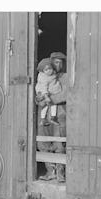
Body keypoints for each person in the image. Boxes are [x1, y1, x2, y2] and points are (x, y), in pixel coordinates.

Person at [37, 52, 67, 182]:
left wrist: (49, 99)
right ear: (50, 63)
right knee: (43, 143)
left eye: (61, 62)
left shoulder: (65, 77)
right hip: (44, 115)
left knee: (59, 145)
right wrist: (39, 99)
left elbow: (65, 94)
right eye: (56, 62)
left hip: (59, 115)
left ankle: (60, 173)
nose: (58, 64)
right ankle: (50, 172)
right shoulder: (43, 76)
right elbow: (38, 94)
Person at [35, 58, 61, 126]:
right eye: (46, 70)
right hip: (43, 93)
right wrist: (46, 97)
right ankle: (43, 119)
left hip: (50, 91)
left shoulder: (53, 74)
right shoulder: (43, 77)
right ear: (43, 71)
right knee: (45, 105)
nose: (49, 71)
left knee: (54, 104)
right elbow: (44, 88)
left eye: (50, 68)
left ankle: (53, 117)